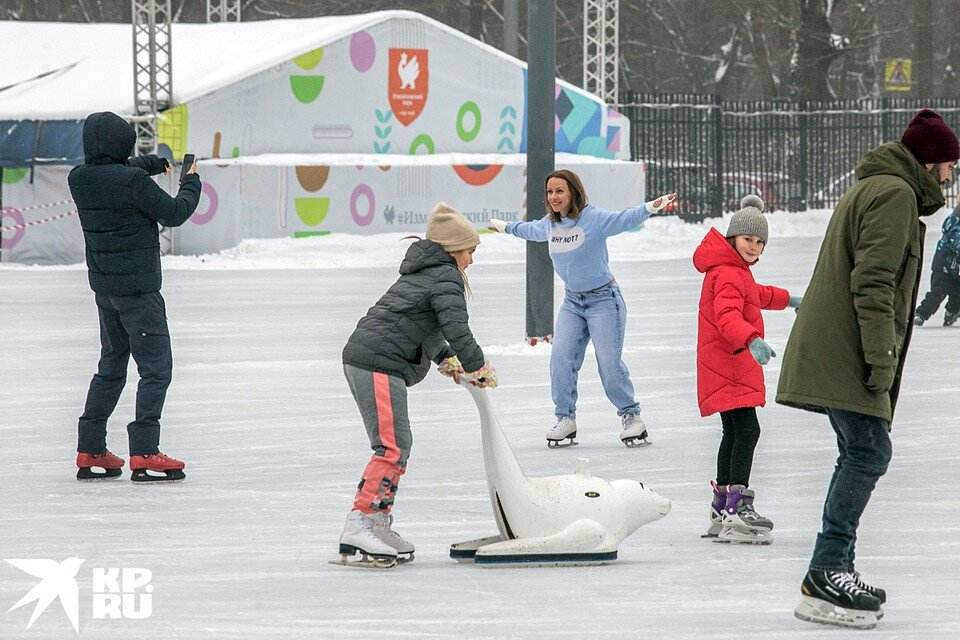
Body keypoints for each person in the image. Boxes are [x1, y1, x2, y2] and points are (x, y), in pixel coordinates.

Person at [777, 108, 959, 629]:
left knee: (859, 449)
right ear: (928, 163)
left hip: (837, 343)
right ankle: (826, 571)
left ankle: (835, 568)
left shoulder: (878, 187)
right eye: (947, 166)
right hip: (847, 348)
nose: (949, 178)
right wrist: (881, 357)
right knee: (868, 449)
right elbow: (874, 283)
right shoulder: (895, 195)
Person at [336, 202, 497, 568]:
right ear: (455, 248)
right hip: (377, 362)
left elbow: (418, 325)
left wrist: (446, 359)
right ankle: (359, 523)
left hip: (370, 358)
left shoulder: (424, 272)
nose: (471, 260)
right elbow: (457, 328)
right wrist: (478, 366)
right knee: (391, 447)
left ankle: (376, 521)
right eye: (470, 251)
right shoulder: (445, 277)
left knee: (397, 444)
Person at [488, 169, 675, 448]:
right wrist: (504, 226)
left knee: (609, 365)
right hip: (573, 303)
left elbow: (623, 219)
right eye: (550, 192)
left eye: (559, 191)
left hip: (604, 301)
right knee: (560, 360)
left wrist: (649, 207)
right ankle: (565, 419)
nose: (554, 197)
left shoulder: (593, 218)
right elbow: (527, 230)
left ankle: (631, 416)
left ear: (573, 192)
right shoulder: (549, 225)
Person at [69, 111, 201, 483]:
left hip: (106, 293)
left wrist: (153, 165)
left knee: (110, 368)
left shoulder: (79, 178)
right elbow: (175, 213)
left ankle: (90, 446)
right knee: (156, 370)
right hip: (140, 293)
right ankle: (145, 451)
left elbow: (117, 170)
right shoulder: (131, 183)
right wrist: (191, 182)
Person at [694, 195, 800, 545]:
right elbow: (727, 316)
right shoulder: (727, 273)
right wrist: (751, 339)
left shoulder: (731, 270)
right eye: (748, 239)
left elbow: (757, 295)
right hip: (732, 363)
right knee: (747, 430)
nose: (753, 247)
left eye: (759, 242)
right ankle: (738, 508)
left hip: (725, 364)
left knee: (734, 432)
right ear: (732, 238)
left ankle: (722, 506)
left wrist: (789, 300)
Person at [914, 193, 960, 327]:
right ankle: (921, 314)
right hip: (943, 265)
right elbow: (954, 239)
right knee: (938, 292)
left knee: (957, 294)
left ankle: (951, 313)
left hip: (955, 268)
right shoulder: (956, 219)